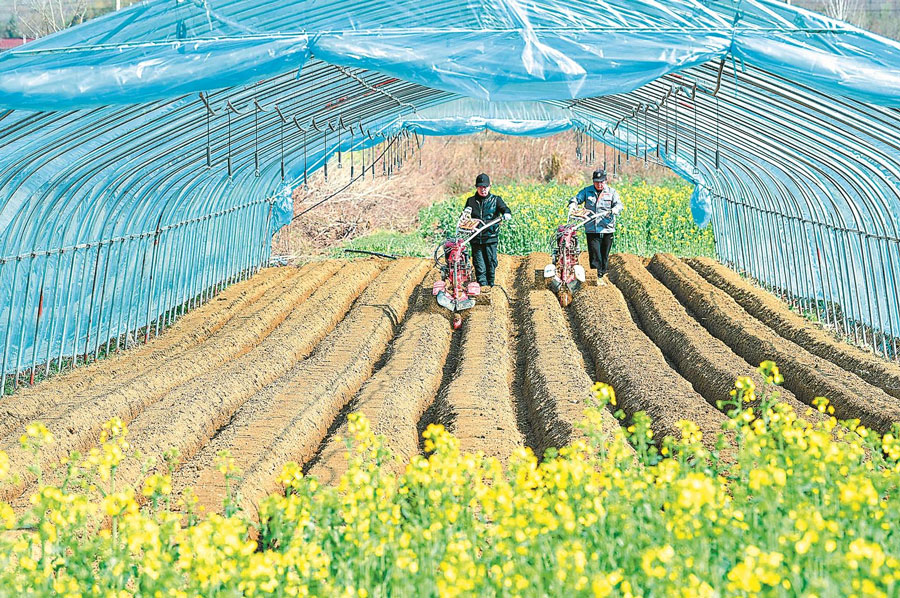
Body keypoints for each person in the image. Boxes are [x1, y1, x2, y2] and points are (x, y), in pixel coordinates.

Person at [568, 169, 623, 285]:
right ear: (593, 182)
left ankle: (601, 274)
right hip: (592, 228)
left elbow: (619, 204)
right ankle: (596, 277)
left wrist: (615, 209)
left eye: (601, 182)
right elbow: (577, 198)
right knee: (594, 254)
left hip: (607, 228)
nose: (599, 184)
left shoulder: (611, 192)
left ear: (605, 181)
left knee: (604, 255)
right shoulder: (587, 191)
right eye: (597, 182)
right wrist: (573, 204)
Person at [463, 173, 512, 288]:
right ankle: (482, 287)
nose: (483, 189)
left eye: (485, 187)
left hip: (490, 237)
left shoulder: (496, 200)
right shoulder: (471, 201)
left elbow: (504, 208)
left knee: (491, 263)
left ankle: (491, 286)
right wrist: (464, 220)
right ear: (476, 187)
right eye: (480, 187)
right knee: (479, 265)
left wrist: (506, 213)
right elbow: (465, 214)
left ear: (490, 186)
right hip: (475, 238)